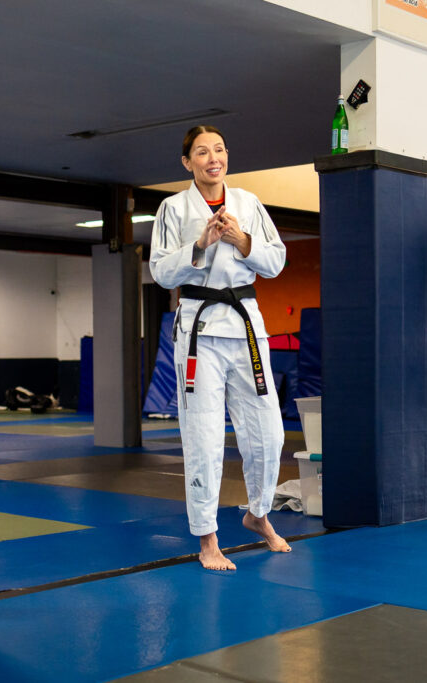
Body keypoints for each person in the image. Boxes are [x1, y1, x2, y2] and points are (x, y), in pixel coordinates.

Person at [149, 125, 291, 570]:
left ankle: (258, 513)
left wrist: (241, 241)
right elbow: (160, 272)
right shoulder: (173, 208)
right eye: (202, 152)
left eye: (220, 150)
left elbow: (276, 260)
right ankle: (208, 539)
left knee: (269, 432)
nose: (214, 158)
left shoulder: (248, 203)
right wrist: (201, 244)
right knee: (204, 436)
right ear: (187, 162)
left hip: (246, 326)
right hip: (199, 331)